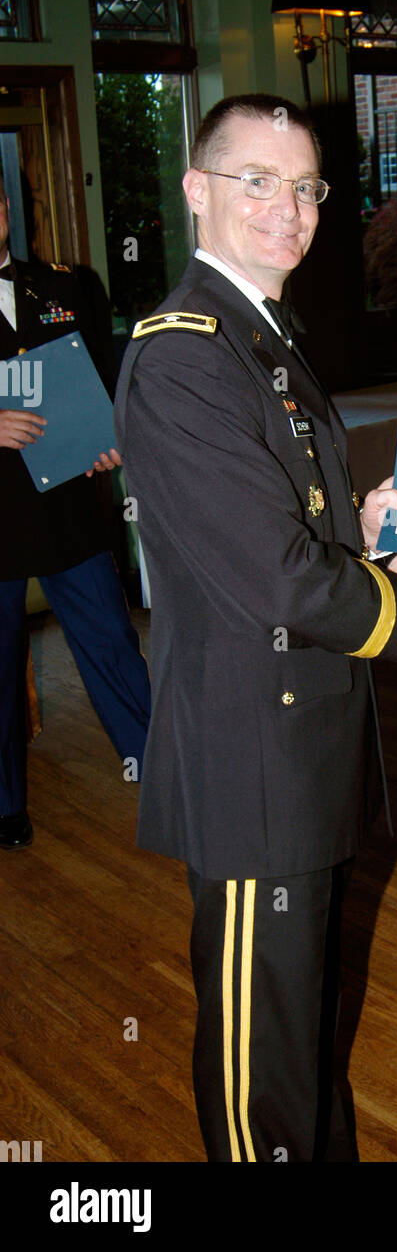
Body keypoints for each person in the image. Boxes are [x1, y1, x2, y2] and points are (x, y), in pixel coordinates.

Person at [114, 93, 397, 1163]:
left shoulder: (256, 328)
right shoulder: (187, 350)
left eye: (304, 186)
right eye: (257, 179)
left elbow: (280, 512)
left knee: (298, 1015)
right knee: (262, 1050)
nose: (286, 207)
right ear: (198, 189)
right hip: (255, 754)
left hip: (296, 737)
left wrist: (365, 520)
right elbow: (276, 576)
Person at [0, 176, 151, 850]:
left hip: (67, 502)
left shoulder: (66, 285)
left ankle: (158, 767)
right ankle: (4, 806)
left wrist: (109, 435)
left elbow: (103, 376)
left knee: (113, 643)